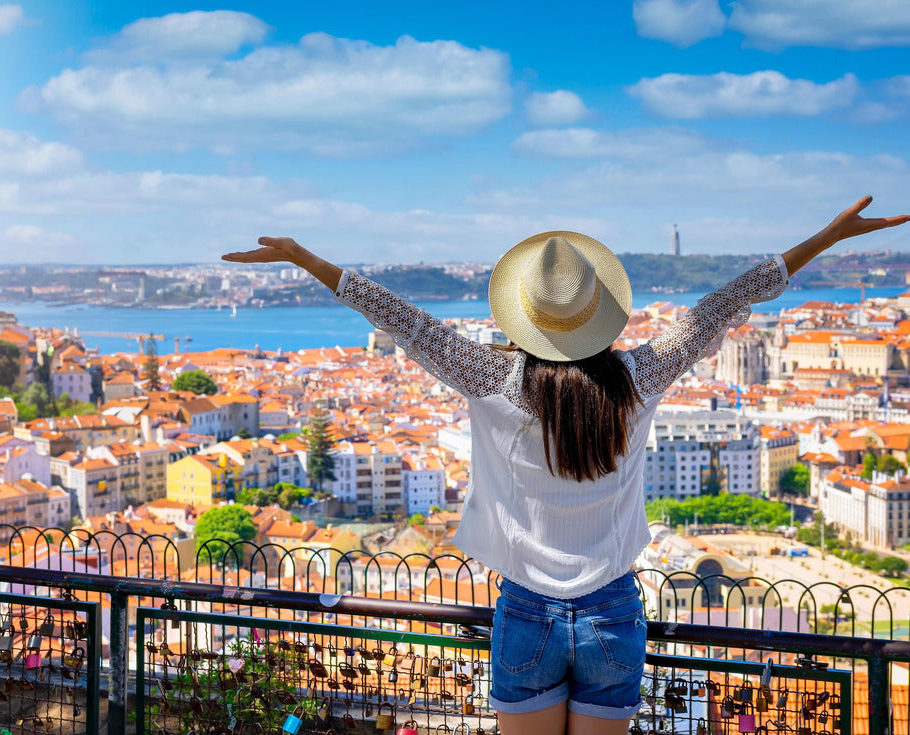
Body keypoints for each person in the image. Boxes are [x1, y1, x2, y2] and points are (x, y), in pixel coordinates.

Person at [222, 196, 908, 735]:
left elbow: (401, 317)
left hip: (526, 610)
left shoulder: (490, 376)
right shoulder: (640, 375)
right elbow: (723, 303)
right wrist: (827, 238)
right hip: (613, 608)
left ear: (526, 317)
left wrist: (304, 257)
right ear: (598, 313)